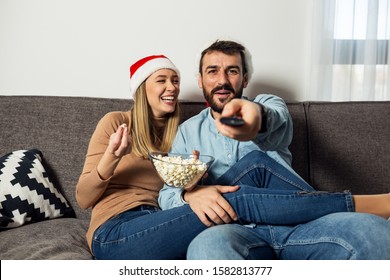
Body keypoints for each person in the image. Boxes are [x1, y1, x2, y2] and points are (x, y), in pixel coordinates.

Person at [77, 54, 339, 260]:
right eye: (162, 80)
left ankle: (339, 218)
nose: (172, 87)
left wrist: (193, 181)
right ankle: (346, 206)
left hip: (163, 222)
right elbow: (84, 198)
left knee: (256, 165)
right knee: (234, 199)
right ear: (142, 88)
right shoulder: (118, 123)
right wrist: (111, 157)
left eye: (175, 80)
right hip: (117, 229)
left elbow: (174, 194)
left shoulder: (180, 134)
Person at [158, 40, 390, 260]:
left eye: (232, 71)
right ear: (200, 80)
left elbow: (274, 120)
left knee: (374, 232)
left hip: (298, 224)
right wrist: (189, 194)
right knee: (207, 247)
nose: (222, 80)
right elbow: (166, 195)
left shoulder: (269, 103)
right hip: (234, 232)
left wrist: (254, 120)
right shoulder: (187, 132)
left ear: (245, 78)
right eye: (212, 71)